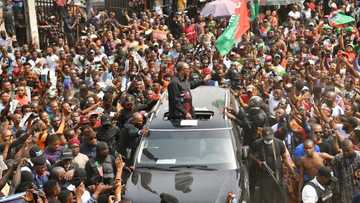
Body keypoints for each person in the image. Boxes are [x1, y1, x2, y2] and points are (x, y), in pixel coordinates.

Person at [250, 127, 295, 203]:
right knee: (267, 197)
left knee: (280, 195)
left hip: (278, 174)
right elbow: (250, 154)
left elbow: (285, 158)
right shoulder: (257, 143)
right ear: (262, 136)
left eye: (270, 138)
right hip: (264, 175)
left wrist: (292, 171)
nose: (268, 140)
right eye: (266, 139)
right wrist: (258, 162)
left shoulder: (279, 143)